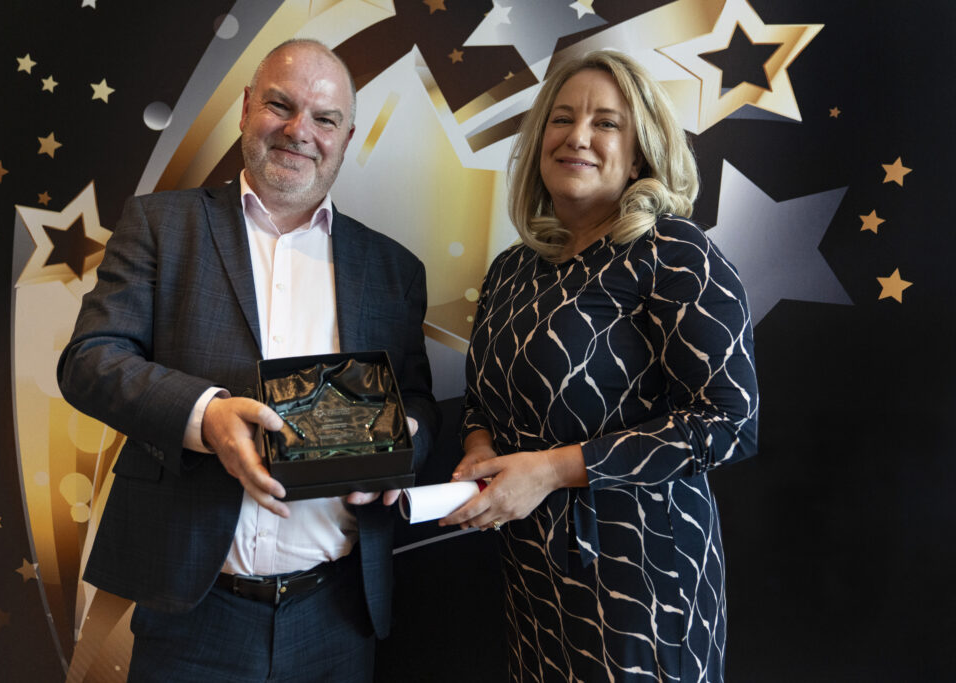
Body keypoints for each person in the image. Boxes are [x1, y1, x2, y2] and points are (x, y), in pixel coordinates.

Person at [57, 39, 439, 682]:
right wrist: (205, 417)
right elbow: (90, 360)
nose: (299, 131)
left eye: (325, 119)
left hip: (339, 616)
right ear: (244, 110)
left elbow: (420, 404)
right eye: (280, 105)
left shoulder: (393, 269)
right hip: (189, 610)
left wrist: (398, 452)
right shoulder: (160, 224)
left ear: (346, 137)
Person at [440, 50, 758, 682]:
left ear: (639, 152)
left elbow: (728, 423)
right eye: (561, 119)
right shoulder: (512, 269)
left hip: (641, 576)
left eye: (606, 123)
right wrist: (478, 445)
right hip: (532, 574)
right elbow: (480, 399)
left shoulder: (673, 251)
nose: (577, 137)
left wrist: (553, 470)